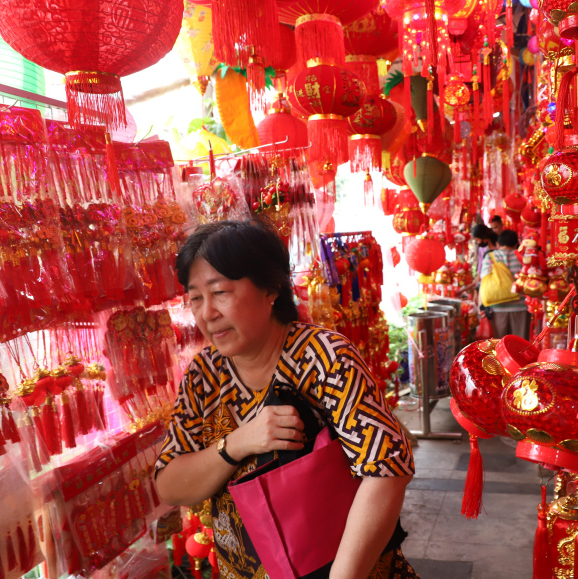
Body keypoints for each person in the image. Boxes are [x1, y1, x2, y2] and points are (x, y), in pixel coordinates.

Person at [155, 218, 418, 579]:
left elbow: (387, 470)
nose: (207, 313)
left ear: (270, 290)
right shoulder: (205, 374)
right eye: (196, 298)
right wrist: (236, 444)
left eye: (220, 293)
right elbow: (171, 484)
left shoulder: (324, 356)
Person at [478, 229, 531, 340]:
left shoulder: (491, 257)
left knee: (498, 346)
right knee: (519, 346)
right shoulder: (523, 257)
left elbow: (484, 281)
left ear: (498, 244)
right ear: (517, 244)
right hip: (521, 307)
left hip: (497, 307)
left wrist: (481, 306)